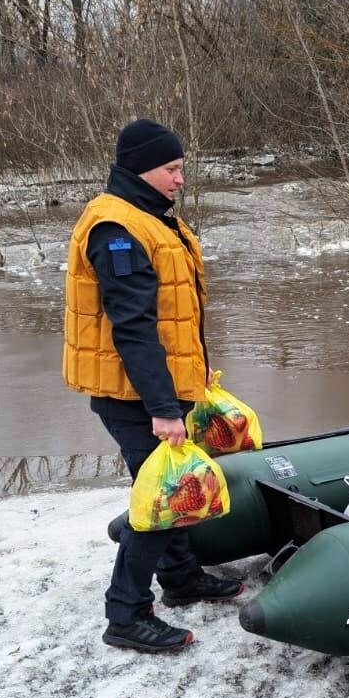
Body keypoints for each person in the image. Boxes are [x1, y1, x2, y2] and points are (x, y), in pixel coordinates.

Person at [63, 118, 243, 654]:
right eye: (172, 169)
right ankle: (126, 613)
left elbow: (173, 316)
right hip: (135, 397)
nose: (180, 180)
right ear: (143, 168)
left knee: (172, 490)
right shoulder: (117, 229)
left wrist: (193, 380)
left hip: (158, 389)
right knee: (162, 501)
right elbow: (133, 327)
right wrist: (163, 407)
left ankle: (182, 578)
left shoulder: (149, 218)